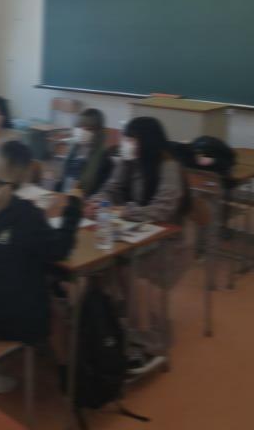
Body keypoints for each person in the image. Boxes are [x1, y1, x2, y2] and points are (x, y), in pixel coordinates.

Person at [0, 140, 82, 392]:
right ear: (25, 174)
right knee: (56, 306)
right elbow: (59, 250)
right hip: (11, 321)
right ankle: (68, 377)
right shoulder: (27, 214)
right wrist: (72, 213)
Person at [92, 116, 188, 373]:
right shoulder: (129, 161)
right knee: (103, 261)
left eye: (131, 139)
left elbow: (163, 210)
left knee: (128, 270)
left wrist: (126, 211)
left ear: (147, 141)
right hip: (137, 235)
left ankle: (148, 342)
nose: (126, 143)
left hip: (169, 242)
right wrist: (99, 202)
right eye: (126, 138)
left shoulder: (168, 167)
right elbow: (111, 188)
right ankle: (118, 324)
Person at [55, 108, 116, 197]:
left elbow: (99, 193)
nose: (82, 131)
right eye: (80, 127)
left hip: (83, 202)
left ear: (98, 132)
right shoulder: (74, 149)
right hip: (63, 198)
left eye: (88, 129)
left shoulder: (105, 160)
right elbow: (63, 179)